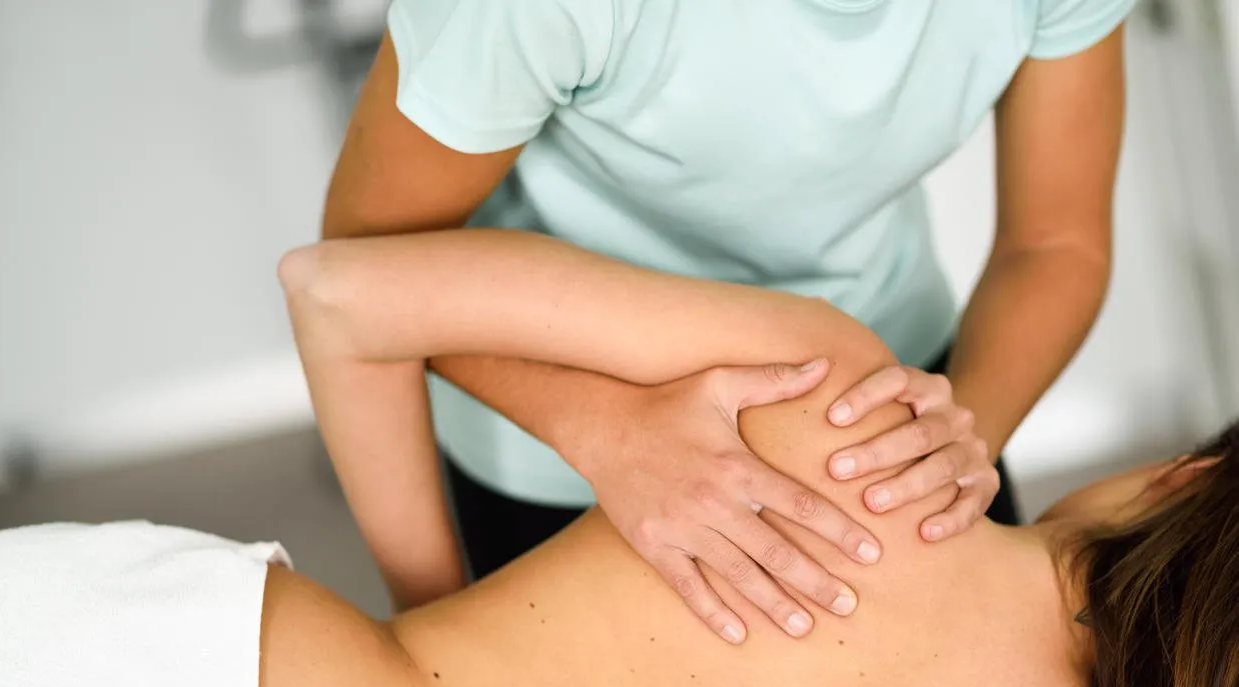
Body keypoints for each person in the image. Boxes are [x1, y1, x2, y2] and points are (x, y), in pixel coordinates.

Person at [0, 230, 1232, 687]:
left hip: (119, 686)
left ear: (1181, 481)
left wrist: (438, 608)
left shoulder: (847, 403)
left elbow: (340, 293)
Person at [321, 0, 1134, 637]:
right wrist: (600, 426)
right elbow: (369, 264)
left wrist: (949, 449)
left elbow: (1054, 241)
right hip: (560, 432)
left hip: (900, 397)